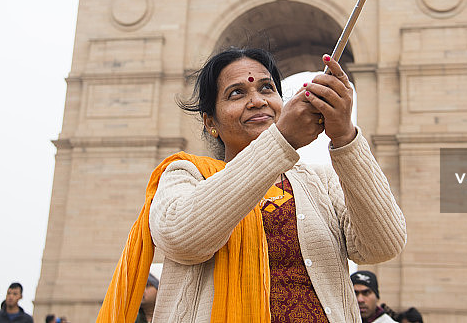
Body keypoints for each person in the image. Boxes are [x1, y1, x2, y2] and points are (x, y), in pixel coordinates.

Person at [97, 48, 407, 323]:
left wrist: (345, 138)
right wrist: (281, 141)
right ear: (210, 122)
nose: (256, 101)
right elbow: (182, 238)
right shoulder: (184, 174)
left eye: (266, 88)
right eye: (236, 94)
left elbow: (382, 245)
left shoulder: (321, 181)